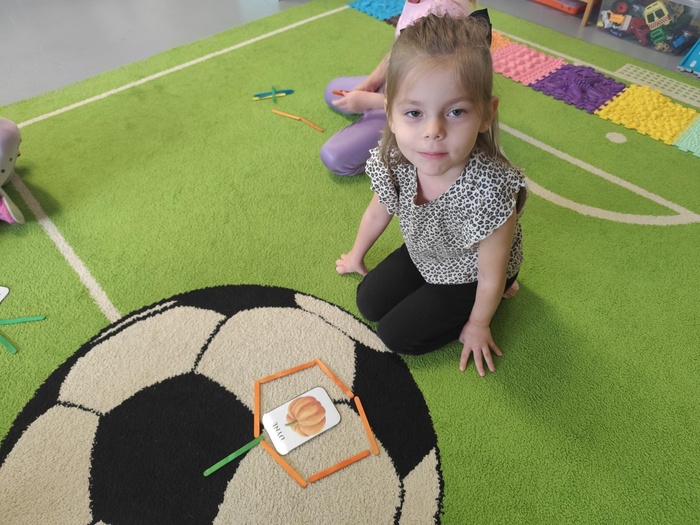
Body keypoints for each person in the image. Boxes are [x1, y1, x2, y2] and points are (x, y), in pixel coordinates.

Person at [336, 13, 527, 376]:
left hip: (471, 274)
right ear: (390, 115)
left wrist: (478, 324)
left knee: (395, 335)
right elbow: (377, 212)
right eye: (414, 112)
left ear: (486, 114)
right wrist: (356, 255)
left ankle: (508, 291)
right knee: (369, 301)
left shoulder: (489, 189)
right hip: (426, 250)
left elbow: (491, 272)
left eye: (456, 111)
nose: (433, 131)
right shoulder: (395, 160)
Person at [320, 0, 474, 176]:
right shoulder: (416, 3)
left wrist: (369, 101)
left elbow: (428, 101)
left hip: (413, 112)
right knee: (331, 91)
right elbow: (397, 52)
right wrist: (370, 83)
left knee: (334, 157)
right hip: (395, 89)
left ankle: (404, 151)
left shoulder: (438, 11)